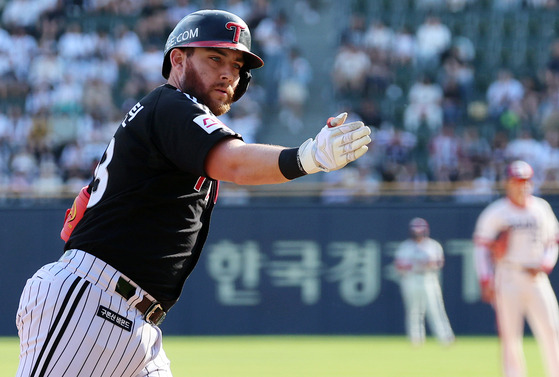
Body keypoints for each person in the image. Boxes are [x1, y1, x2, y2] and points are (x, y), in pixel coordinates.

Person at [15, 9, 372, 377]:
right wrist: (309, 156)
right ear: (178, 58)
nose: (228, 73)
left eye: (236, 66)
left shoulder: (171, 119)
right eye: (215, 57)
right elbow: (234, 164)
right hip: (93, 303)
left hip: (128, 318)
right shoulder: (170, 104)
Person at [473, 160, 559, 377]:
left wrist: (546, 264)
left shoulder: (541, 208)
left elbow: (553, 241)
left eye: (525, 180)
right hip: (508, 275)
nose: (521, 185)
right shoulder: (497, 212)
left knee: (552, 330)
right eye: (517, 180)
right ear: (508, 183)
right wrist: (485, 278)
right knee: (510, 337)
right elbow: (481, 248)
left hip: (537, 277)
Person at [394, 217, 455, 346]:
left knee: (435, 308)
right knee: (414, 310)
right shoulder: (406, 246)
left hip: (429, 278)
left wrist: (427, 263)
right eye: (415, 231)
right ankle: (416, 339)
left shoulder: (433, 245)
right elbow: (399, 265)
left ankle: (445, 337)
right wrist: (415, 264)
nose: (418, 234)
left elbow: (439, 262)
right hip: (411, 278)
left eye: (420, 231)